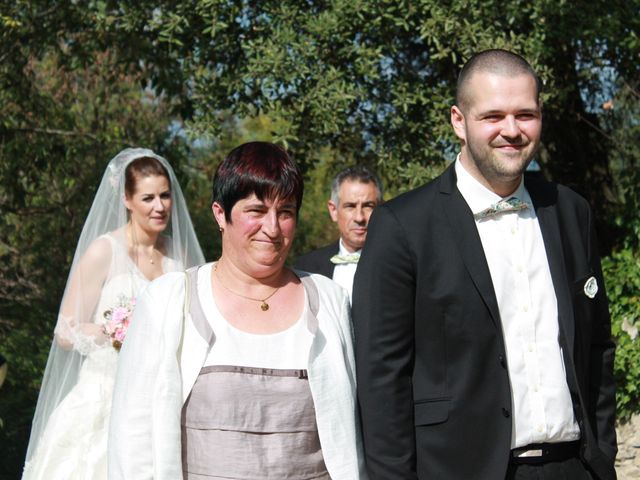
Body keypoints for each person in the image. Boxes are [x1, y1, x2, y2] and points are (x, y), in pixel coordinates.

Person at [353, 49, 616, 480]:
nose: (511, 130)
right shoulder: (403, 226)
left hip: (573, 468)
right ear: (459, 120)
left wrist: (601, 457)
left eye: (525, 114)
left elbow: (597, 350)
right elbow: (383, 380)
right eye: (493, 115)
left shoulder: (571, 212)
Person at [108, 141, 365, 479]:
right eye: (256, 211)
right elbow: (133, 440)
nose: (272, 229)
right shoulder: (170, 302)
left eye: (285, 212)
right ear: (220, 213)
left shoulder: (329, 300)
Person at [22, 148, 204, 480]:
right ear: (127, 200)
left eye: (165, 196)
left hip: (159, 399)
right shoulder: (104, 251)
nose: (159, 206)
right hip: (103, 397)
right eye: (148, 197)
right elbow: (65, 331)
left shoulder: (179, 256)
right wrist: (115, 330)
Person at [295, 166, 383, 302]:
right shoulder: (307, 267)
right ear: (333, 210)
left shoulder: (400, 264)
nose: (359, 217)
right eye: (350, 206)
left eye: (368, 206)